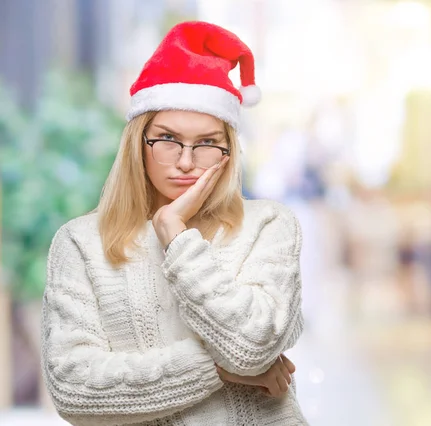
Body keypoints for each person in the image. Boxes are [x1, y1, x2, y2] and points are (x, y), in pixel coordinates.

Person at [41, 21, 307, 425]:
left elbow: (253, 344)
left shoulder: (269, 226)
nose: (185, 161)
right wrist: (220, 368)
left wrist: (175, 235)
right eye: (167, 139)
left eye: (206, 143)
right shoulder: (81, 244)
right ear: (138, 143)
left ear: (228, 151)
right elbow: (74, 389)